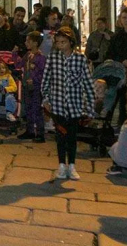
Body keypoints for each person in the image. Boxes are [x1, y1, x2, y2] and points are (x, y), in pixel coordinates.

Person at [42, 26, 95, 181]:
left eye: (63, 42)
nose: (60, 45)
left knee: (71, 136)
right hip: (57, 103)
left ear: (71, 42)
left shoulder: (80, 59)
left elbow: (88, 83)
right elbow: (46, 80)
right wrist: (45, 99)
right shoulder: (53, 58)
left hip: (74, 104)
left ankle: (72, 164)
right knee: (60, 135)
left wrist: (89, 107)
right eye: (58, 42)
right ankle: (61, 165)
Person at [107, 6, 127, 127]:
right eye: (124, 18)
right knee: (118, 104)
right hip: (120, 76)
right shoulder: (116, 37)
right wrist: (121, 61)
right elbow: (109, 55)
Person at [15, 31, 46, 142]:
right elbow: (19, 65)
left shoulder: (40, 57)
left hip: (36, 87)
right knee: (28, 108)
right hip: (27, 86)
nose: (26, 43)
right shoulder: (28, 55)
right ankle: (30, 130)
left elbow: (42, 73)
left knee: (37, 109)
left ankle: (40, 133)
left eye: (28, 41)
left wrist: (34, 79)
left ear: (35, 43)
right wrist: (15, 55)